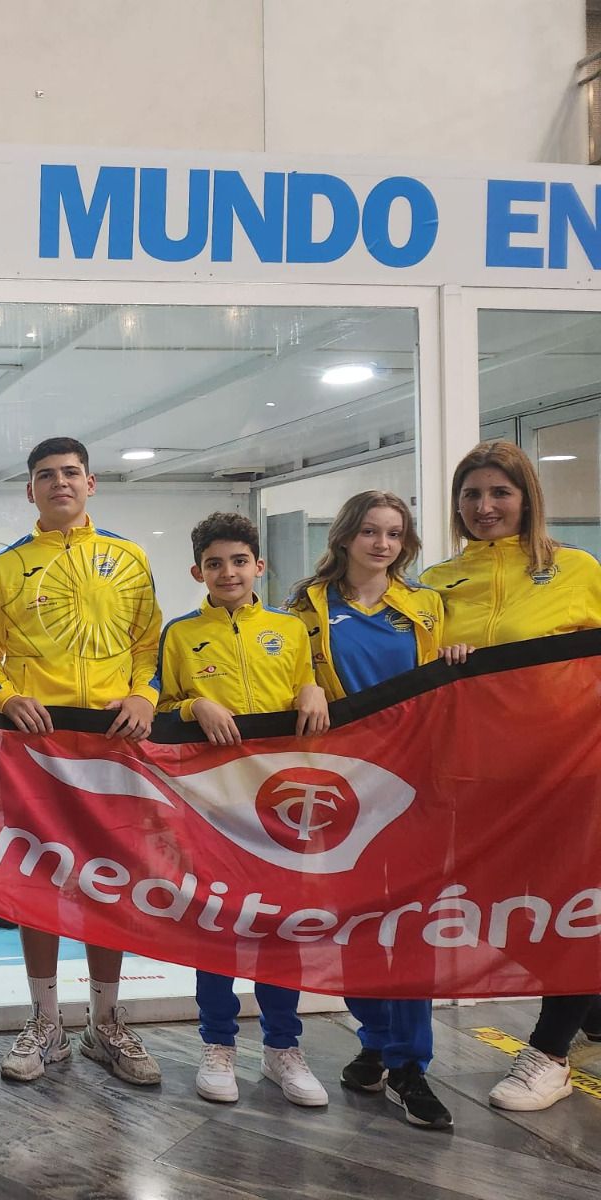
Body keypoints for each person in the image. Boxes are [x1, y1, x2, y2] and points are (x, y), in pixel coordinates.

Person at [0, 436, 163, 1088]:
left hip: (112, 748)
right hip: (34, 747)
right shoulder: (6, 567)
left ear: (92, 483)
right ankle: (47, 1021)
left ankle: (105, 1023)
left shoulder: (128, 558)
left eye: (71, 473)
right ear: (30, 490)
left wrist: (146, 693)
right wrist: (5, 695)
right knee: (40, 886)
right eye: (46, 476)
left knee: (108, 884)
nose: (60, 483)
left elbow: (149, 644)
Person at [421, 439, 601, 1112]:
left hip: (571, 772)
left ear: (526, 497)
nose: (485, 506)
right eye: (471, 494)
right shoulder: (436, 583)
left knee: (573, 908)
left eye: (500, 492)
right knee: (502, 914)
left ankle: (549, 1053)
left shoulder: (577, 569)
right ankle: (590, 1002)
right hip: (480, 777)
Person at [286, 490, 462, 1131]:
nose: (382, 543)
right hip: (341, 787)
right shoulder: (306, 608)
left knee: (410, 924)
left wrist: (455, 658)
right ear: (345, 537)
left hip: (415, 787)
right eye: (369, 531)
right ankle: (374, 1037)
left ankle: (410, 1065)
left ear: (406, 542)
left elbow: (446, 690)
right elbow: (284, 673)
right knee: (354, 923)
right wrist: (303, 681)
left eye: (393, 533)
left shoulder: (425, 608)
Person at [156, 511, 330, 1109]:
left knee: (284, 926)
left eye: (238, 561)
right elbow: (160, 705)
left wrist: (315, 689)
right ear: (196, 571)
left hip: (285, 801)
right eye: (214, 563)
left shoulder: (290, 630)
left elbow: (310, 695)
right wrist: (192, 706)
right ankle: (219, 1044)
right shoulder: (179, 635)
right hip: (213, 801)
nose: (227, 572)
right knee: (220, 923)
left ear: (259, 566)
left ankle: (284, 1048)